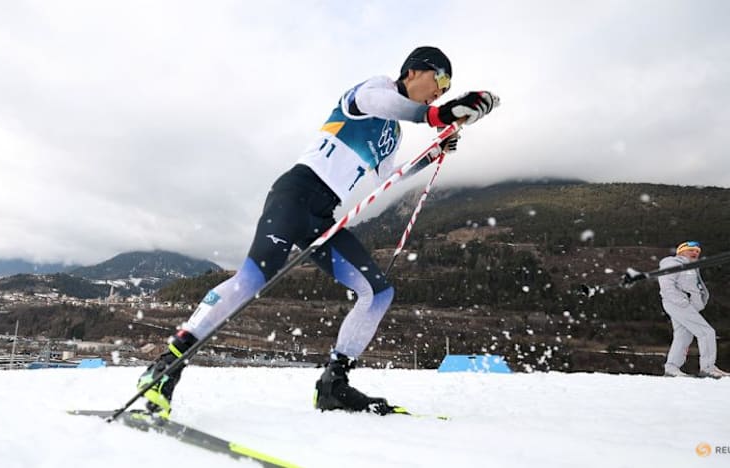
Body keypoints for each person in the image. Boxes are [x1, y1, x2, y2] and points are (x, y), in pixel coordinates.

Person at [136, 46, 499, 418]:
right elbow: (383, 103)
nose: (442, 89)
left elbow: (389, 176)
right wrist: (438, 115)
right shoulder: (375, 92)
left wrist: (432, 153)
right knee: (250, 282)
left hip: (322, 216)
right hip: (295, 195)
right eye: (440, 80)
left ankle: (333, 385)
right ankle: (164, 367)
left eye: (448, 86)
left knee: (377, 292)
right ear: (414, 72)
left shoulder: (393, 132)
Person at [658, 241, 730, 378]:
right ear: (680, 252)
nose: (695, 253)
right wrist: (682, 302)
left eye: (697, 252)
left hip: (682, 305)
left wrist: (696, 303)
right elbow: (666, 285)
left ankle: (672, 368)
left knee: (683, 336)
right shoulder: (673, 263)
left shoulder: (690, 267)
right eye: (691, 250)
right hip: (678, 304)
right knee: (706, 332)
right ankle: (708, 368)